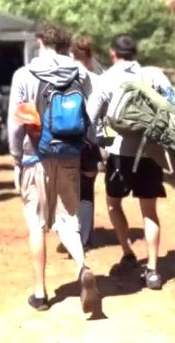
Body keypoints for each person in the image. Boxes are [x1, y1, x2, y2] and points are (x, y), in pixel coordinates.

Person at [7, 24, 100, 314]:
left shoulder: (24, 74)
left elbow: (16, 123)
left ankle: (40, 293)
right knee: (69, 218)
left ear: (39, 43)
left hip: (36, 154)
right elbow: (92, 110)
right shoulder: (80, 72)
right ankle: (82, 267)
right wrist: (89, 141)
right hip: (70, 154)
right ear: (65, 45)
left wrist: (15, 157)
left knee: (36, 223)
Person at [86, 34, 175, 291]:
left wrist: (98, 145)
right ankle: (152, 270)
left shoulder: (107, 79)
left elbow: (91, 117)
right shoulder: (154, 75)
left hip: (119, 152)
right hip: (151, 152)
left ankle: (128, 252)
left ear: (113, 53)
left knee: (113, 204)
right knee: (149, 212)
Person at [70, 36, 104, 249]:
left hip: (63, 138)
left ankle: (68, 231)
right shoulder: (98, 79)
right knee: (86, 189)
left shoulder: (62, 75)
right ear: (90, 54)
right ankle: (84, 236)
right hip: (90, 140)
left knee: (66, 186)